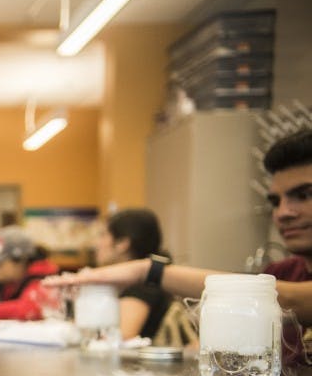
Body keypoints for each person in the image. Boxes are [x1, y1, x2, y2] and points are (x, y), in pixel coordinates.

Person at [45, 128, 312, 361]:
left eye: (303, 195)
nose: (284, 212)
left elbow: (284, 298)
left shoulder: (278, 288)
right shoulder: (283, 272)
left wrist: (146, 270)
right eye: (275, 201)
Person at [94, 208, 172, 340]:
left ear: (123, 244)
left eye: (103, 235)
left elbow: (123, 335)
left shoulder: (144, 286)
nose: (96, 244)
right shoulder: (144, 281)